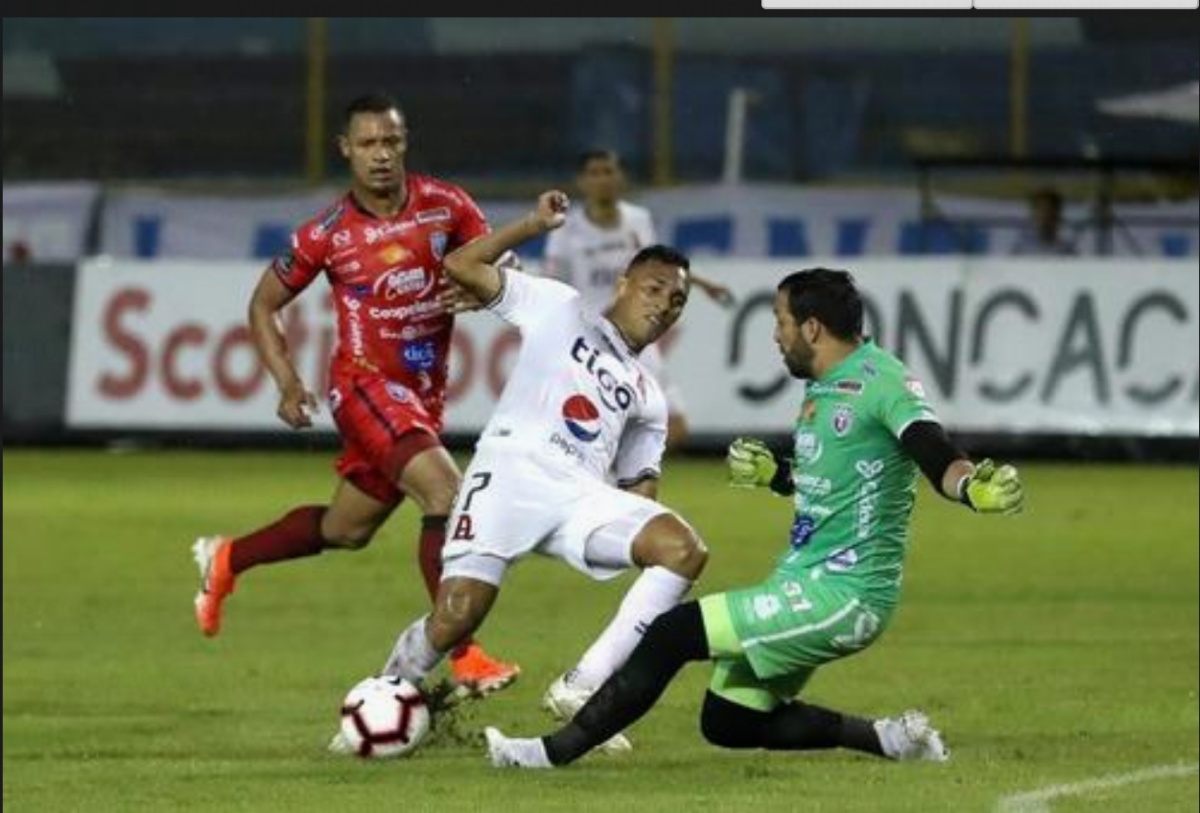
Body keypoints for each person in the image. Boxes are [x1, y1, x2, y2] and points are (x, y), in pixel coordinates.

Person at [483, 267, 1026, 769]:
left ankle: (548, 754)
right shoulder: (826, 386)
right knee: (729, 721)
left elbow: (932, 449)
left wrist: (969, 485)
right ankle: (891, 739)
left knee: (673, 633)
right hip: (804, 581)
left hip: (845, 596)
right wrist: (780, 474)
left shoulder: (883, 381)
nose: (775, 335)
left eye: (781, 321)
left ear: (812, 328)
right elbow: (844, 478)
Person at [190, 92, 518, 693]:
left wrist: (481, 291)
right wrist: (287, 382)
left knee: (348, 529)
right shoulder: (326, 234)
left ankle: (226, 559)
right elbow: (264, 304)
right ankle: (463, 652)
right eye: (367, 144)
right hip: (364, 387)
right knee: (446, 491)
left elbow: (504, 269)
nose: (381, 155)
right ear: (346, 150)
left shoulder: (447, 206)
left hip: (421, 397)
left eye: (390, 142)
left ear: (405, 142)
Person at [364, 192, 709, 755]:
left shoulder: (648, 398)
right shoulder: (559, 305)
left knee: (682, 549)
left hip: (579, 498)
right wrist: (531, 224)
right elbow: (460, 266)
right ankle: (383, 698)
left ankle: (582, 687)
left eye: (676, 300)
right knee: (456, 615)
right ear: (622, 283)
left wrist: (641, 536)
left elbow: (641, 493)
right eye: (654, 289)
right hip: (511, 472)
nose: (664, 305)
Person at [543, 149, 735, 448]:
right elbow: (551, 283)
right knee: (590, 426)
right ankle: (609, 481)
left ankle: (620, 478)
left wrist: (705, 284)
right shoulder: (566, 228)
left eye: (609, 171)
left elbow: (660, 268)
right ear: (581, 181)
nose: (603, 179)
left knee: (677, 425)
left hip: (636, 334)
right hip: (593, 341)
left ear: (620, 177)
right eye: (594, 172)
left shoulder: (637, 220)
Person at [1011, 187, 1076, 256]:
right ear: (1033, 215)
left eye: (1049, 211)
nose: (1045, 217)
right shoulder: (1021, 249)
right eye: (1041, 211)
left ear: (1058, 216)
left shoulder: (1067, 251)